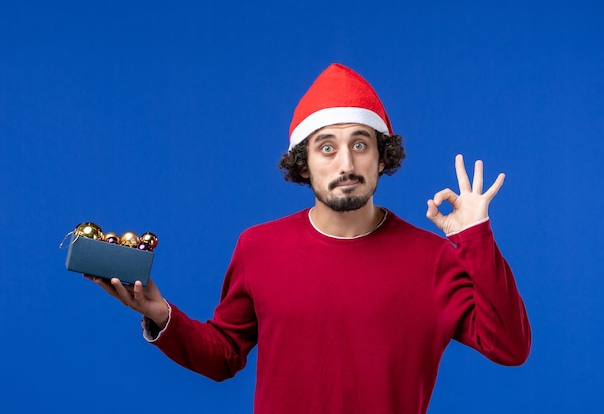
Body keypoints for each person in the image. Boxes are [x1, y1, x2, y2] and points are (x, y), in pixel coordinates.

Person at [87, 63, 531, 414]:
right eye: (326, 147)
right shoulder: (258, 248)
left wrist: (475, 237)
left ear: (382, 159)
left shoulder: (433, 258)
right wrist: (160, 315)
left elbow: (510, 347)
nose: (345, 164)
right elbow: (223, 355)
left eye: (360, 144)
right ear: (303, 165)